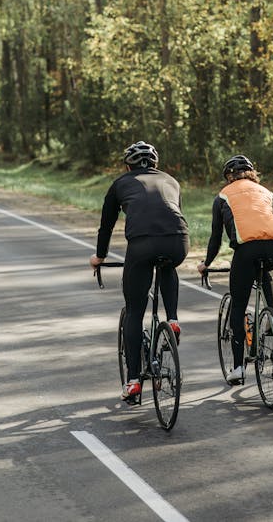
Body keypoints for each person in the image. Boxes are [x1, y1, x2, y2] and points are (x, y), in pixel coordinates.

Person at [90, 141, 189, 403]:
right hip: (179, 240)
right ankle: (174, 319)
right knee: (167, 265)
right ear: (156, 164)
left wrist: (100, 257)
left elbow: (106, 226)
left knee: (134, 310)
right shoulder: (171, 180)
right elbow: (172, 212)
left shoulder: (120, 183)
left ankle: (133, 381)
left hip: (143, 243)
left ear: (127, 165)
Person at [197, 155, 273, 384]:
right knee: (263, 272)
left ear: (229, 176)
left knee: (238, 305)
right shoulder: (266, 192)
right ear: (252, 173)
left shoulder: (222, 196)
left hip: (247, 250)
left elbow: (216, 238)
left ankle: (238, 368)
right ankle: (272, 321)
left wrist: (206, 264)